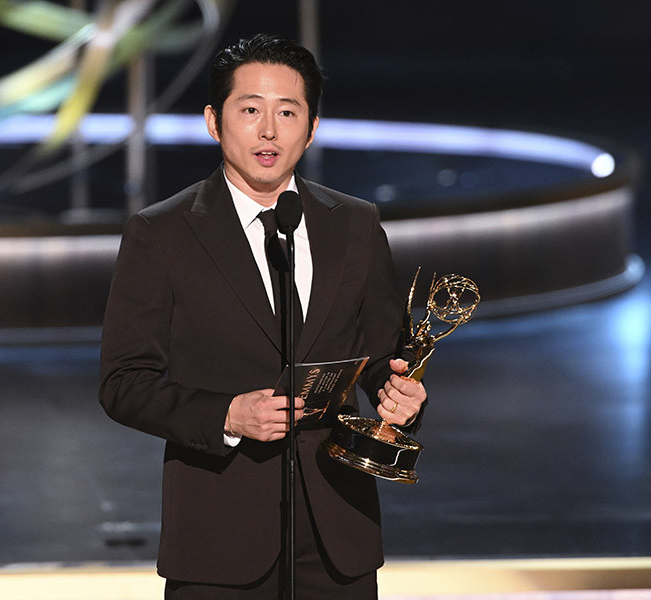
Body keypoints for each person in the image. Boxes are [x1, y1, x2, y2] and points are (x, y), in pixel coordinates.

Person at [99, 33, 428, 598]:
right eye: (250, 110)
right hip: (219, 544)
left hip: (337, 539)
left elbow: (380, 358)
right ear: (212, 120)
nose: (268, 130)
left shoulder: (355, 226)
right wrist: (228, 415)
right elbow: (123, 384)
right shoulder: (162, 234)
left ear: (313, 127)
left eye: (287, 111)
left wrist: (402, 397)